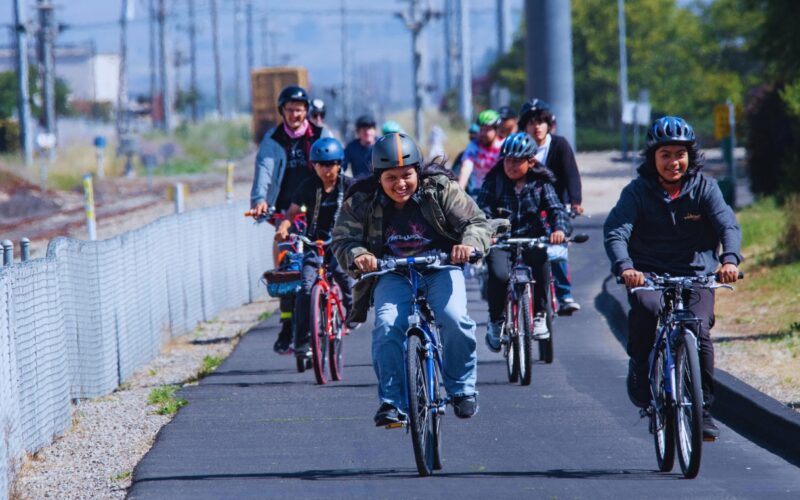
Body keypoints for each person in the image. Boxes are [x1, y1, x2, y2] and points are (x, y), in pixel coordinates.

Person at [331, 132, 492, 426]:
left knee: (454, 318)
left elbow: (476, 222)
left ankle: (461, 390)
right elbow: (342, 239)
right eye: (391, 177)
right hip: (392, 273)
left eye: (407, 175)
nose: (400, 184)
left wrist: (467, 244)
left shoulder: (441, 189)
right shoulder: (361, 200)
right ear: (379, 177)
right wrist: (358, 255)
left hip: (441, 267)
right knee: (387, 326)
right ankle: (393, 402)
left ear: (417, 171)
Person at [603, 116, 742, 440]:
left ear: (690, 156)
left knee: (700, 331)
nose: (673, 162)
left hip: (697, 273)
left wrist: (730, 259)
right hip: (647, 273)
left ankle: (703, 408)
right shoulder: (637, 191)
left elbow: (728, 226)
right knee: (648, 310)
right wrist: (626, 268)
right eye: (665, 154)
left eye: (679, 154)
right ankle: (639, 365)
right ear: (653, 157)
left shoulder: (705, 188)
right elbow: (616, 231)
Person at [250, 84, 332, 355]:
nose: (295, 115)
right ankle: (286, 327)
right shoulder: (273, 140)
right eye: (290, 110)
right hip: (286, 212)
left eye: (299, 110)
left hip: (318, 209)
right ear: (282, 112)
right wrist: (260, 201)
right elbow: (263, 171)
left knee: (326, 261)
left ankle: (330, 305)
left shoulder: (321, 134)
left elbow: (338, 166)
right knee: (285, 271)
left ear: (307, 111)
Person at [477, 132, 571, 351]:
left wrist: (559, 229)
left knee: (542, 266)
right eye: (507, 160)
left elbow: (556, 209)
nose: (510, 165)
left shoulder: (541, 184)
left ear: (530, 162)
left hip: (532, 239)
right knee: (499, 274)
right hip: (502, 240)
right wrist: (487, 232)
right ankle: (496, 321)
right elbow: (482, 210)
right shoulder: (494, 181)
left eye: (517, 161)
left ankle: (538, 316)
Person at [275, 137, 355, 362]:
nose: (326, 169)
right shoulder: (308, 186)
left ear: (340, 164)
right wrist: (283, 227)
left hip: (340, 242)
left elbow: (365, 208)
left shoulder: (349, 185)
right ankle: (302, 344)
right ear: (314, 166)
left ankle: (352, 313)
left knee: (342, 274)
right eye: (320, 164)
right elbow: (291, 213)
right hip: (314, 243)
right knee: (305, 288)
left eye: (330, 164)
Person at [518, 98, 582, 315]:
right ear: (524, 126)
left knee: (557, 249)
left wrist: (575, 201)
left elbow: (571, 174)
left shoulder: (560, 144)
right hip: (527, 208)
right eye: (531, 122)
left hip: (556, 205)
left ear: (549, 124)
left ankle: (564, 295)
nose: (536, 127)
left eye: (541, 122)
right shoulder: (518, 147)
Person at [458, 109, 503, 196]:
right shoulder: (474, 145)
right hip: (478, 192)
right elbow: (466, 168)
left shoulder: (503, 146)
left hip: (499, 194)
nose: (482, 133)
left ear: (496, 130)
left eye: (487, 130)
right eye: (481, 129)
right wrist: (459, 192)